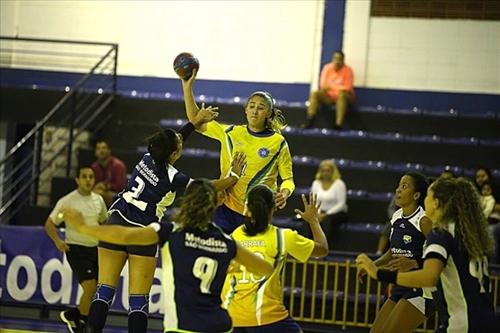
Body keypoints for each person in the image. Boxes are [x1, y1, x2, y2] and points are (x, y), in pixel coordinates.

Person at [85, 110, 246, 333]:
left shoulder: (147, 157)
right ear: (173, 155)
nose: (181, 143)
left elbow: (171, 142)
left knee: (103, 291)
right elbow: (204, 187)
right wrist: (233, 177)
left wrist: (193, 123)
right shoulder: (172, 176)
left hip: (115, 221)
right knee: (137, 301)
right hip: (142, 231)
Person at [61, 179, 274, 333]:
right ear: (214, 205)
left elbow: (124, 235)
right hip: (220, 325)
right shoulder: (226, 242)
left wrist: (83, 227)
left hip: (183, 327)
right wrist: (232, 267)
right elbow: (265, 269)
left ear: (187, 202)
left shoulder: (171, 232)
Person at [356, 177, 499, 332]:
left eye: (428, 195)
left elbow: (430, 276)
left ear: (436, 203)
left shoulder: (441, 233)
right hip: (483, 317)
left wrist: (378, 273)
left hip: (463, 321)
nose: (425, 200)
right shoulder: (467, 234)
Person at [181, 70, 295, 234]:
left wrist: (284, 193)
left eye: (261, 108)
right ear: (246, 110)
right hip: (225, 209)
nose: (255, 111)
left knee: (246, 259)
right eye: (252, 106)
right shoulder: (230, 133)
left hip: (255, 214)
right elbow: (195, 119)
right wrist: (187, 86)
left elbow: (288, 180)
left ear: (269, 113)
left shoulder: (278, 142)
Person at [222, 186, 328, 332]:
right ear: (274, 208)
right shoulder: (282, 237)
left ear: (246, 208)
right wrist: (313, 221)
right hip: (266, 316)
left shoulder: (234, 236)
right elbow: (322, 249)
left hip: (230, 316)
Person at [358, 173, 434, 333]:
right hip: (401, 285)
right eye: (399, 185)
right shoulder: (397, 216)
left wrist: (415, 263)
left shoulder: (424, 220)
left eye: (404, 186)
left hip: (422, 289)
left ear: (416, 195)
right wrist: (373, 265)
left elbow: (440, 254)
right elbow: (393, 251)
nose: (398, 190)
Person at [44, 166, 108, 333]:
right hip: (77, 249)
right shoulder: (67, 201)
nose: (88, 180)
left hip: (96, 249)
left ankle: (75, 314)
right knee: (90, 286)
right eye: (84, 176)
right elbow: (50, 223)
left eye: (91, 177)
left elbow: (104, 222)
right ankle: (82, 325)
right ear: (77, 180)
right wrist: (58, 241)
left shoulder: (98, 200)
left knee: (97, 291)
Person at [303, 50, 355, 130]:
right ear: (332, 59)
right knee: (315, 93)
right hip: (329, 97)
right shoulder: (327, 68)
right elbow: (323, 85)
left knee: (342, 95)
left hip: (344, 97)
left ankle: (338, 125)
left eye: (339, 59)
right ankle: (310, 119)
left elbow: (347, 88)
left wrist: (331, 87)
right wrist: (338, 87)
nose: (337, 61)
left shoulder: (348, 70)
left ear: (343, 60)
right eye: (335, 58)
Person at [310, 159, 348, 248]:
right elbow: (314, 200)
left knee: (327, 222)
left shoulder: (339, 184)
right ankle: (311, 247)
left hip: (337, 213)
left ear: (333, 171)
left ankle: (325, 248)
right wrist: (318, 213)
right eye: (323, 171)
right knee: (309, 220)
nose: (325, 173)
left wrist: (325, 215)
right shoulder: (316, 183)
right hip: (320, 211)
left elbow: (341, 204)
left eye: (328, 171)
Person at [91, 140, 127, 206]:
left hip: (117, 195)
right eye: (98, 148)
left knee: (98, 194)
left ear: (109, 150)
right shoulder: (94, 167)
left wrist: (105, 186)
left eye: (104, 148)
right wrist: (97, 186)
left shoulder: (118, 165)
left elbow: (120, 187)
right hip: (97, 192)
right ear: (95, 152)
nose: (101, 151)